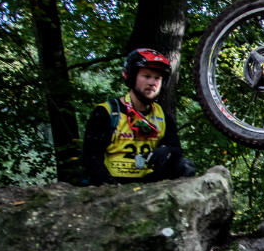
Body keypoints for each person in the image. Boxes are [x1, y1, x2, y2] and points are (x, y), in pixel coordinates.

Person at [83, 48, 196, 185]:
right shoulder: (106, 112)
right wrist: (112, 188)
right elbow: (91, 157)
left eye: (157, 78)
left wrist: (166, 151)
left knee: (185, 165)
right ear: (131, 77)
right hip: (111, 183)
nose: (152, 83)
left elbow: (177, 150)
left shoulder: (163, 116)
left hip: (149, 184)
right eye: (147, 76)